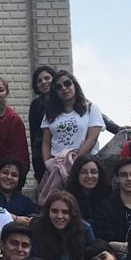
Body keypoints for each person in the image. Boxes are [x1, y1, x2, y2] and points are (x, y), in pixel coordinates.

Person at [38, 70, 103, 204]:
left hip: (83, 166)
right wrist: (48, 162)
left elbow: (92, 138)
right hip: (57, 167)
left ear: (75, 85)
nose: (64, 88)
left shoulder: (90, 108)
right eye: (58, 87)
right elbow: (46, 142)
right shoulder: (50, 113)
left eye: (67, 84)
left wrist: (76, 162)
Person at [28, 191, 92, 260]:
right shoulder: (37, 227)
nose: (59, 216)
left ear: (72, 213)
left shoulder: (85, 229)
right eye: (54, 211)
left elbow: (92, 255)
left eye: (65, 212)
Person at [93, 158, 131, 252]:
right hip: (116, 257)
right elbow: (103, 241)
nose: (129, 179)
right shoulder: (104, 208)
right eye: (124, 175)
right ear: (117, 178)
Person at [0, 76, 29, 181]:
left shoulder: (13, 119)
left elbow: (20, 152)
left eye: (1, 90)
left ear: (6, 92)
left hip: (0, 172)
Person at [28, 65, 56, 185]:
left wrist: (116, 129)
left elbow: (89, 109)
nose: (44, 82)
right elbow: (34, 133)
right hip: (42, 152)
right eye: (39, 81)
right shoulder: (36, 104)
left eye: (47, 78)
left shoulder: (65, 97)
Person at [65, 155, 109, 221]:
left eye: (94, 172)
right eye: (84, 172)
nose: (89, 176)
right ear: (77, 175)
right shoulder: (68, 199)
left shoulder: (108, 196)